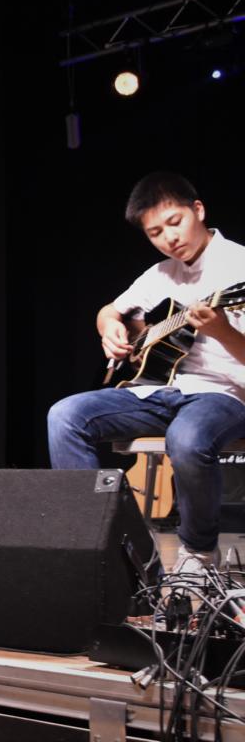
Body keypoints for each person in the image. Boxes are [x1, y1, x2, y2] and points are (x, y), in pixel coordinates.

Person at [48, 171, 245, 575]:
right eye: (155, 233)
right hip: (160, 390)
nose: (169, 238)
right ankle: (111, 548)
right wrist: (110, 327)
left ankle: (198, 553)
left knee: (186, 439)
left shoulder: (238, 266)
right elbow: (110, 311)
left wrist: (222, 331)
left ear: (198, 210)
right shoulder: (160, 274)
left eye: (175, 223)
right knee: (64, 416)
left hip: (225, 393)